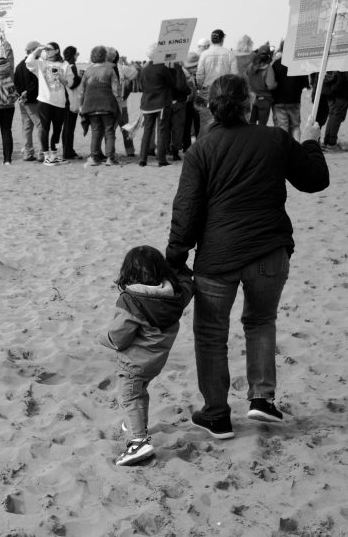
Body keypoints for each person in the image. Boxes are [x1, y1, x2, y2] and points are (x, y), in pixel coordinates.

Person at [167, 74, 329, 439]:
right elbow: (315, 179)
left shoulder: (201, 149)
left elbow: (187, 211)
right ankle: (261, 398)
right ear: (249, 104)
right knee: (260, 321)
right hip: (268, 252)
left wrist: (175, 257)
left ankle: (216, 414)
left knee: (211, 335)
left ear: (211, 106)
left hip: (218, 256)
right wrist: (309, 140)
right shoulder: (273, 138)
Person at [100, 246, 193, 466]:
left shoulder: (130, 301)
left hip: (134, 363)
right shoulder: (174, 296)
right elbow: (188, 286)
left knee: (130, 397)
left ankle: (138, 442)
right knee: (140, 393)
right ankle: (136, 425)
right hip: (155, 361)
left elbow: (119, 337)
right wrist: (182, 269)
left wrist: (102, 338)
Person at [27, 42, 73, 165]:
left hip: (60, 102)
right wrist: (38, 49)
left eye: (49, 49)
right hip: (45, 100)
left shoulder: (65, 64)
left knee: (57, 130)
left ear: (57, 50)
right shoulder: (42, 63)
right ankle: (46, 155)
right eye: (45, 49)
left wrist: (63, 79)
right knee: (45, 129)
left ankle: (54, 154)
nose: (46, 51)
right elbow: (29, 62)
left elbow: (70, 82)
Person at [77, 45, 121, 166]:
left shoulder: (88, 71)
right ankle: (110, 158)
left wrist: (81, 106)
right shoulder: (110, 70)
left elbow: (81, 91)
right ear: (105, 57)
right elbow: (116, 90)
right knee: (109, 131)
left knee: (96, 131)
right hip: (107, 105)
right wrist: (119, 105)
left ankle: (94, 157)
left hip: (90, 106)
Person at [138, 45, 176, 166]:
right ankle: (161, 159)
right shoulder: (162, 68)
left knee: (147, 132)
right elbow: (172, 83)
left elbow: (141, 86)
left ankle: (142, 159)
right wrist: (171, 70)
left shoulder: (144, 68)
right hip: (161, 103)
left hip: (147, 103)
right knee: (161, 131)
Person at [194, 30, 237, 137]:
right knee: (223, 120)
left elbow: (199, 74)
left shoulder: (204, 54)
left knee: (205, 122)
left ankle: (203, 147)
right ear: (222, 39)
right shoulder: (229, 53)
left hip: (207, 90)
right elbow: (235, 75)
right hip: (224, 91)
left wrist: (200, 87)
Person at [271, 41, 309, 141]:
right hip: (295, 100)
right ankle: (296, 149)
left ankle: (284, 151)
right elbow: (305, 84)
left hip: (279, 101)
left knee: (282, 128)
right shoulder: (299, 64)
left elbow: (271, 82)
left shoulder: (276, 64)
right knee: (295, 127)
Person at [13, 41, 42, 161]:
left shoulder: (19, 66)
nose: (40, 52)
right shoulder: (34, 64)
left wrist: (21, 94)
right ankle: (42, 153)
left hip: (23, 101)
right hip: (32, 101)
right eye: (39, 50)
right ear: (32, 50)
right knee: (40, 125)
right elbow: (35, 83)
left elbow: (16, 84)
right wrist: (27, 94)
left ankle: (28, 153)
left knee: (27, 127)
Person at [245, 43, 276, 126]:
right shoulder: (268, 68)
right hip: (264, 100)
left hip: (252, 99)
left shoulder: (250, 67)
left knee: (251, 125)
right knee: (262, 126)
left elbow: (247, 79)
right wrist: (276, 84)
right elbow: (270, 85)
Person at [61, 46, 83, 160]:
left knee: (66, 127)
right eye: (77, 54)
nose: (77, 56)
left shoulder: (63, 65)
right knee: (69, 128)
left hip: (63, 100)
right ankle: (67, 151)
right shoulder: (72, 66)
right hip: (71, 100)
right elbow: (73, 84)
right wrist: (80, 77)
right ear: (73, 55)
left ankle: (67, 150)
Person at [322, 71, 348, 149]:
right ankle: (331, 142)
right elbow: (342, 79)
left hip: (336, 93)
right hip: (342, 94)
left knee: (333, 116)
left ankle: (328, 140)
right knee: (337, 116)